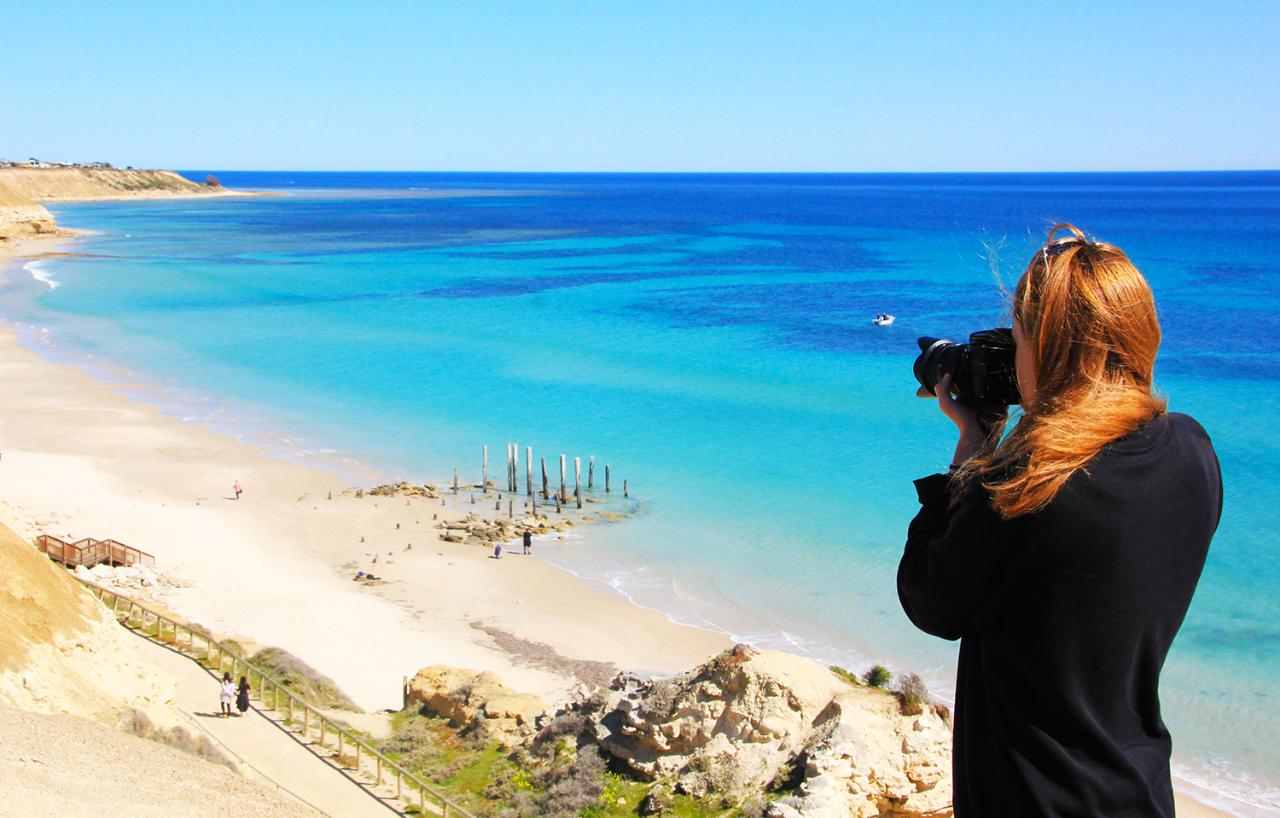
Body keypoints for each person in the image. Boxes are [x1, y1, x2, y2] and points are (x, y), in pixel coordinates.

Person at [897, 224, 1222, 817]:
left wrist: (973, 446)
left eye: (1017, 341)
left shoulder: (1024, 487)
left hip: (1031, 798)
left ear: (1046, 351)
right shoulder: (1193, 450)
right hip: (1139, 789)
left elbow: (927, 600)